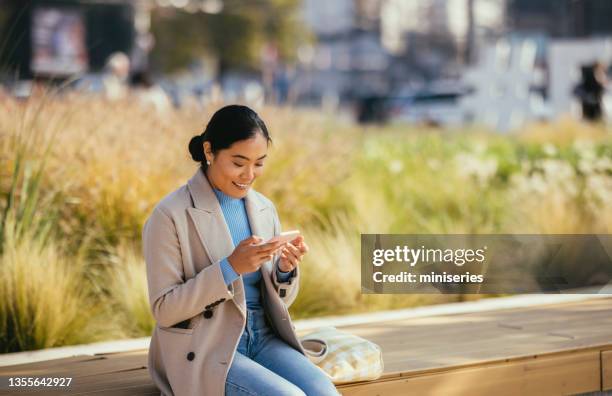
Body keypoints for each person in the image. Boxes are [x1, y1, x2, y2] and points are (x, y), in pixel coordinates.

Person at [143, 105, 339, 396]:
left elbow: (279, 300)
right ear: (209, 151)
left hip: (263, 336)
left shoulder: (263, 207)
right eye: (238, 162)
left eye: (259, 163)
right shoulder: (170, 215)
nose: (249, 174)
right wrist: (229, 268)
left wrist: (284, 272)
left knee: (324, 391)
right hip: (206, 345)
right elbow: (165, 310)